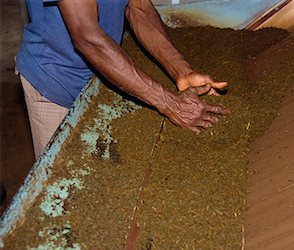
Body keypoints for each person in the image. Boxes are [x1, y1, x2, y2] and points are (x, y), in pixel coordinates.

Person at [16, 0, 229, 160]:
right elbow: (86, 36)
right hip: (56, 80)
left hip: (104, 74)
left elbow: (139, 9)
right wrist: (170, 103)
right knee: (62, 195)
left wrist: (181, 71)